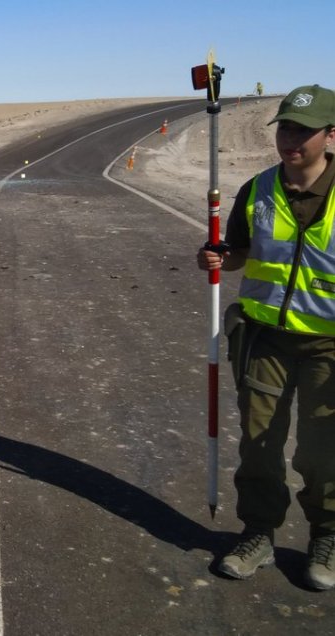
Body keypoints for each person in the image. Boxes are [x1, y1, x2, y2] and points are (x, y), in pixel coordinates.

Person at [196, 84, 335, 590]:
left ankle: (327, 537)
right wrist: (217, 258)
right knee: (259, 445)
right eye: (285, 128)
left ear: (330, 134)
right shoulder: (256, 190)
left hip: (328, 346)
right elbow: (237, 252)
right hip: (264, 340)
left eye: (303, 130)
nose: (291, 139)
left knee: (322, 453)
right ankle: (257, 534)